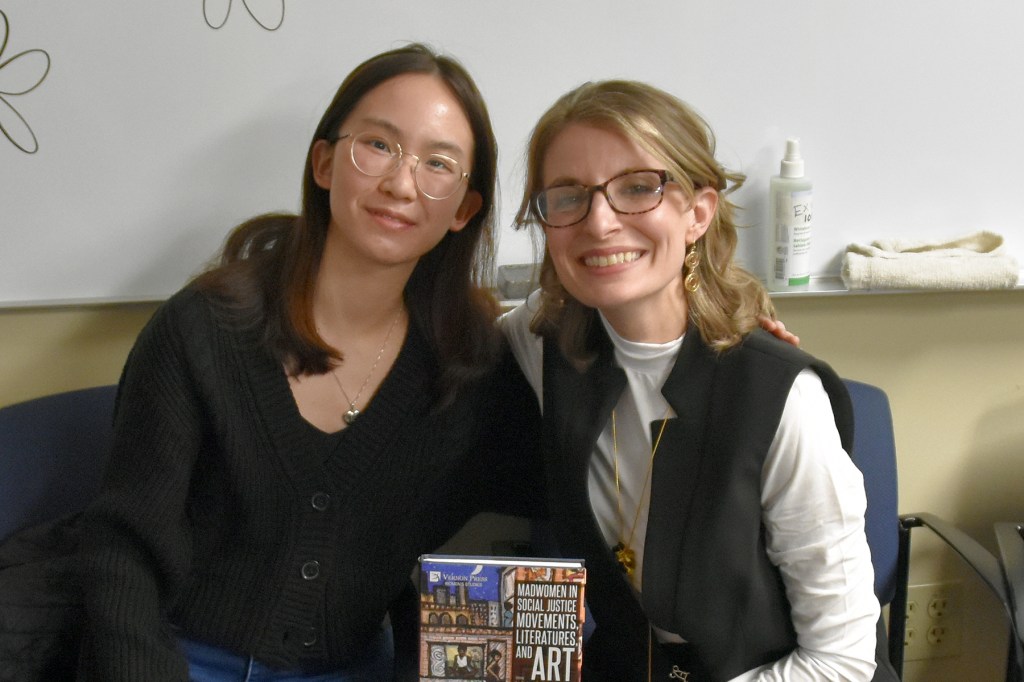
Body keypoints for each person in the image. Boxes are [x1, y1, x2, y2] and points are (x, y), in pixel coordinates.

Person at [75, 44, 542, 681]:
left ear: (464, 209)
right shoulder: (204, 328)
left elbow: (574, 500)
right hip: (180, 659)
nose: (401, 184)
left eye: (439, 164)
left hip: (359, 665)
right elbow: (120, 550)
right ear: (324, 163)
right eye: (378, 145)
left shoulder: (472, 367)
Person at [501, 80, 899, 681]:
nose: (599, 222)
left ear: (697, 213)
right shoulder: (544, 341)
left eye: (638, 187)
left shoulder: (780, 396)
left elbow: (840, 661)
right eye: (568, 196)